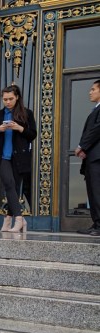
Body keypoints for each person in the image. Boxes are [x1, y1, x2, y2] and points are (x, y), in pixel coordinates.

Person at [0, 85, 37, 232]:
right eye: (5, 99)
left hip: (19, 157)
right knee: (8, 184)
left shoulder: (27, 113)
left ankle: (8, 220)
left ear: (17, 97)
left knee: (13, 188)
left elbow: (32, 134)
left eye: (10, 99)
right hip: (2, 157)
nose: (7, 102)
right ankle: (20, 219)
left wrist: (19, 128)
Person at [75, 79, 100, 236]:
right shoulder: (95, 109)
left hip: (97, 158)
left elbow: (96, 129)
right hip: (92, 157)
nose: (90, 92)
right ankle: (96, 223)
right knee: (93, 190)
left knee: (97, 191)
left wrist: (81, 146)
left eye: (93, 89)